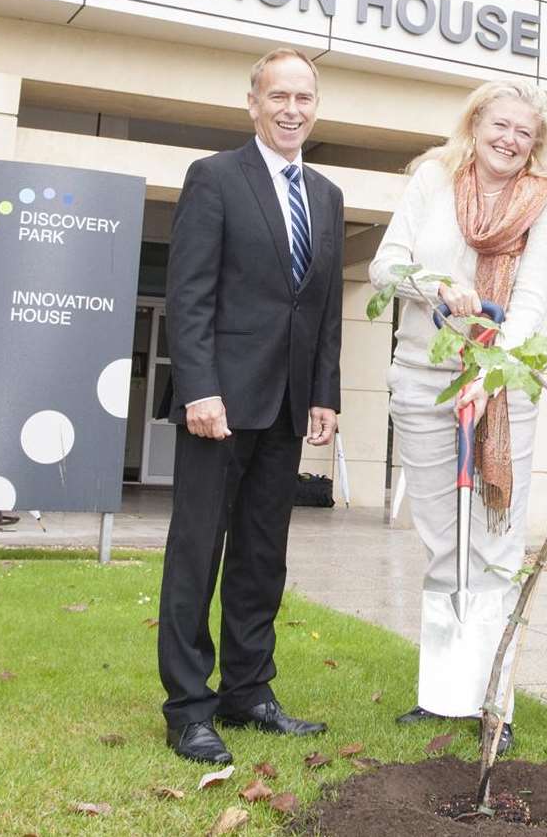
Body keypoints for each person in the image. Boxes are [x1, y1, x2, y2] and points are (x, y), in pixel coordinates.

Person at [156, 48, 344, 765]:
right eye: (278, 96)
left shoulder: (325, 195)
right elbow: (190, 294)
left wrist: (324, 393)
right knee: (197, 554)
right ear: (253, 102)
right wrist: (199, 386)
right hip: (219, 404)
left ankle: (249, 691)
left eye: (304, 97)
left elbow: (323, 308)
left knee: (263, 557)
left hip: (289, 407)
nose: (291, 109)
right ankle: (188, 708)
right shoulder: (214, 178)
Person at [369, 80, 547, 757]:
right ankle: (445, 691)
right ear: (476, 124)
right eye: (500, 125)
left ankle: (494, 704)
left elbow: (532, 304)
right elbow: (385, 265)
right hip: (423, 377)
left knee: (495, 546)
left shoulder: (545, 205)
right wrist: (435, 286)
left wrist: (489, 371)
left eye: (525, 133)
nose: (510, 140)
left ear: (536, 144)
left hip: (503, 387)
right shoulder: (432, 178)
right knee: (444, 540)